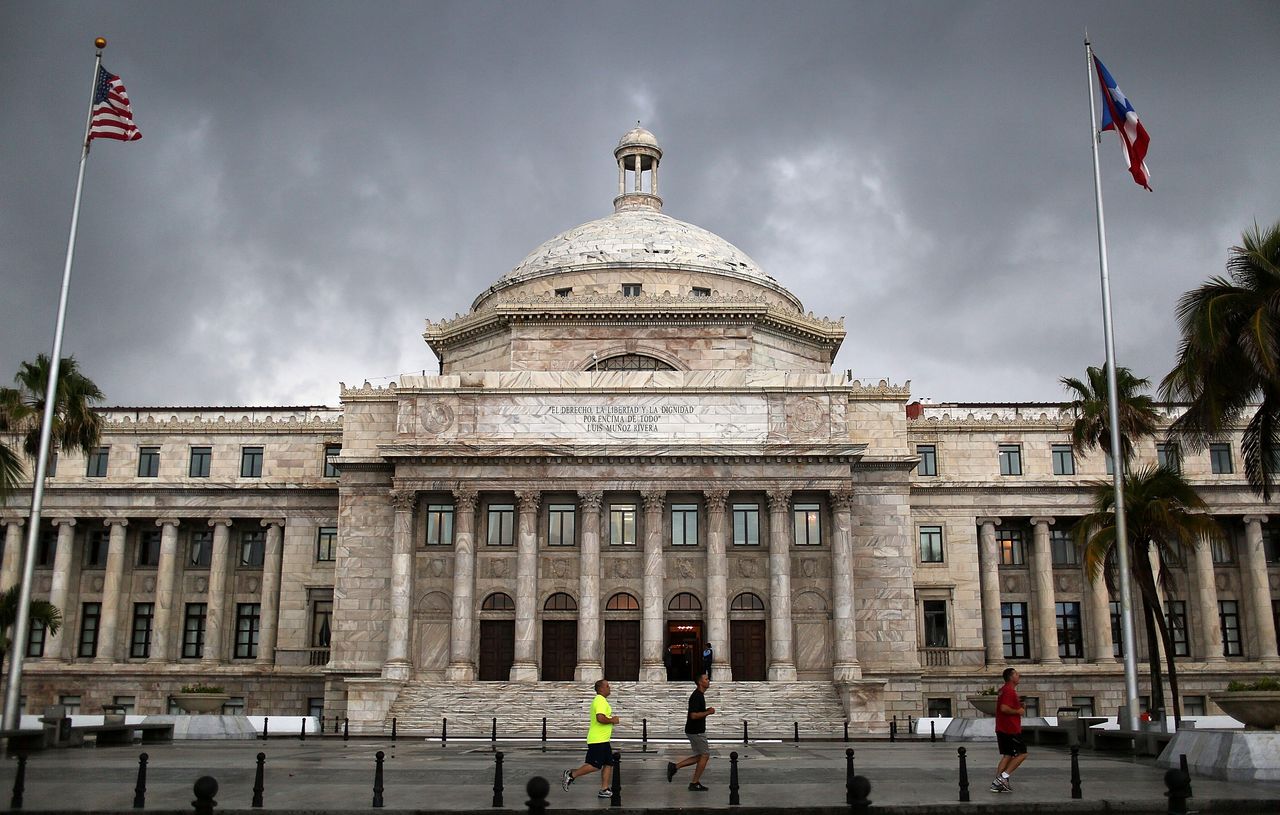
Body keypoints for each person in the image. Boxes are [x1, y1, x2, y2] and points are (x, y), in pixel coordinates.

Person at [563, 679, 620, 799]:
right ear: (601, 689)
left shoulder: (602, 700)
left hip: (603, 739)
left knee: (609, 763)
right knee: (595, 765)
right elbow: (600, 718)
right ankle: (572, 774)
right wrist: (612, 720)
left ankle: (604, 789)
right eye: (607, 686)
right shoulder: (599, 700)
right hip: (597, 739)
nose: (610, 688)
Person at [666, 673, 716, 791]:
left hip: (694, 730)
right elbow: (693, 715)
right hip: (696, 731)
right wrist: (708, 712)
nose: (708, 681)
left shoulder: (699, 695)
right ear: (700, 682)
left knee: (700, 756)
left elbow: (697, 712)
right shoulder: (696, 696)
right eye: (706, 679)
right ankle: (694, 782)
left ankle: (674, 767)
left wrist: (705, 710)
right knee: (705, 755)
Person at [989, 667, 1027, 793]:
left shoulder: (1003, 690)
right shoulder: (1009, 691)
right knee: (1022, 754)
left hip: (1002, 727)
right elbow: (1004, 708)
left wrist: (1018, 704)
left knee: (1008, 755)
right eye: (1016, 674)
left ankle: (997, 783)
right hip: (1010, 728)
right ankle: (1003, 778)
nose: (1019, 675)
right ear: (1011, 677)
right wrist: (1019, 711)